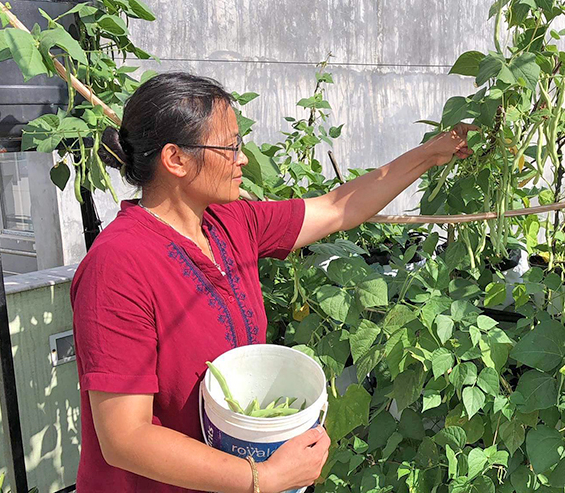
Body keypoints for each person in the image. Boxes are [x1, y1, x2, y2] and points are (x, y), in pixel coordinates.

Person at [72, 72, 472, 492]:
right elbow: (125, 438)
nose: (242, 158)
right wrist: (263, 477)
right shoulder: (118, 266)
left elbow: (337, 208)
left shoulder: (228, 223)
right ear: (176, 159)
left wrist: (434, 151)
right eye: (230, 147)